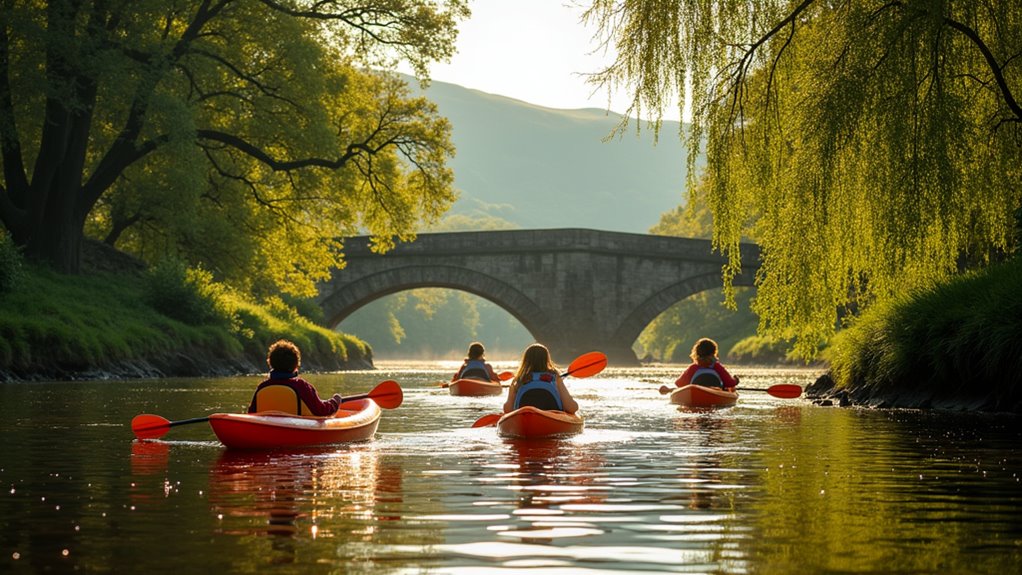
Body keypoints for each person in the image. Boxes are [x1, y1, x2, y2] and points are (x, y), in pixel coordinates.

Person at [247, 339, 342, 416]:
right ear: (296, 365)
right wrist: (335, 401)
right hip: (298, 431)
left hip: (267, 432)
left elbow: (251, 413)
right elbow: (322, 411)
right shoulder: (301, 386)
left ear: (270, 364)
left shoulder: (263, 386)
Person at [503, 343, 579, 414]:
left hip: (525, 417)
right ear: (547, 359)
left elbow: (508, 410)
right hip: (552, 416)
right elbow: (572, 408)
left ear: (525, 360)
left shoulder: (519, 379)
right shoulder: (554, 377)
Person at [672, 338, 739, 390]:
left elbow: (679, 383)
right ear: (713, 353)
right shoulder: (717, 366)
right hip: (715, 393)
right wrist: (736, 380)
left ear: (697, 353)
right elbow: (730, 383)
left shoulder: (693, 367)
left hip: (697, 394)